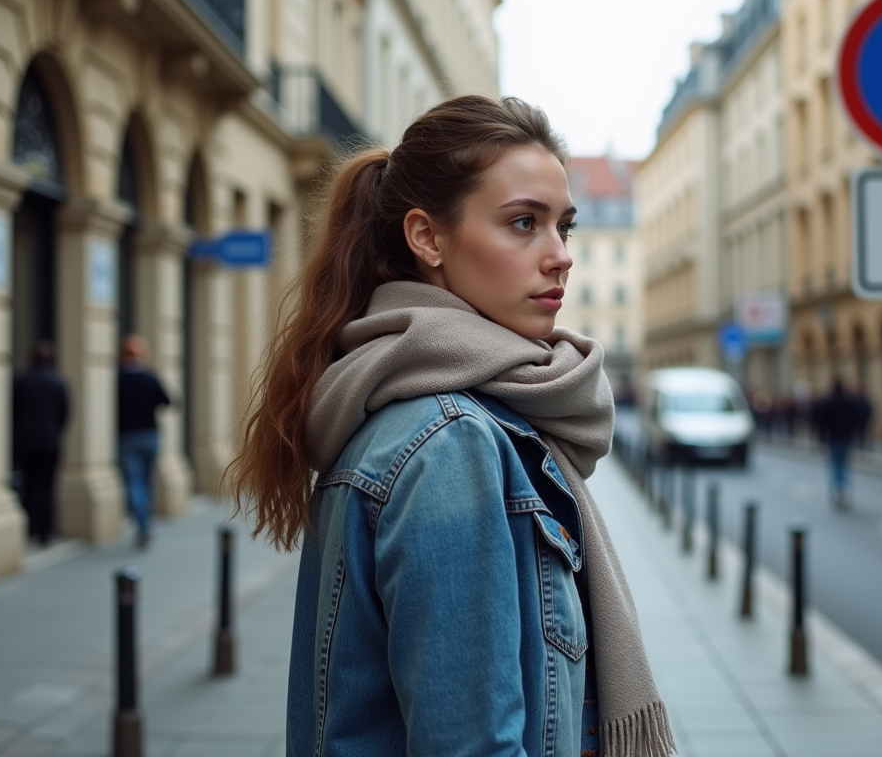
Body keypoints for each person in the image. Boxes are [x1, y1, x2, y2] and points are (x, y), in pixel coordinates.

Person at [226, 96, 673, 757]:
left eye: (565, 227)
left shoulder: (437, 410)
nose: (560, 256)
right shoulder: (448, 439)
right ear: (428, 238)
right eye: (523, 223)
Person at [12, 341, 69, 546]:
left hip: (26, 442)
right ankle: (45, 530)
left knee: (29, 484)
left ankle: (31, 528)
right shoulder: (58, 382)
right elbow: (65, 414)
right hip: (50, 443)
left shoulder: (21, 381)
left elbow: (14, 412)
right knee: (47, 486)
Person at [117, 334, 171, 548]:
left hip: (129, 436)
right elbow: (168, 400)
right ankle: (145, 522)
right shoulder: (149, 377)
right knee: (146, 481)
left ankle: (143, 525)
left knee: (134, 482)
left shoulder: (118, 379)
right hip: (150, 435)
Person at [814, 378, 863, 508]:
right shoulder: (850, 401)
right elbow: (857, 419)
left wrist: (821, 439)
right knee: (844, 464)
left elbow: (822, 422)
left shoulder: (829, 401)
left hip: (834, 437)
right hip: (846, 437)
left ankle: (838, 489)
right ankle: (844, 488)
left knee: (836, 464)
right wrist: (856, 434)